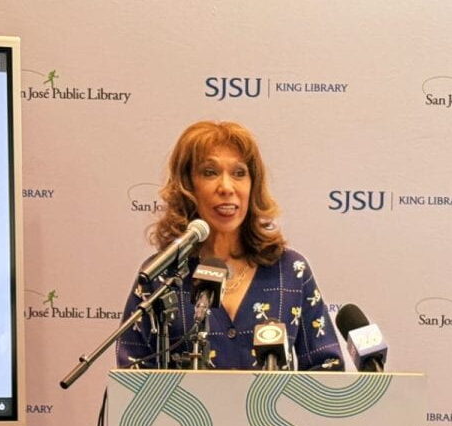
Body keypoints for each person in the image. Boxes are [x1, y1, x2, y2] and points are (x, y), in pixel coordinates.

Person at [116, 121, 343, 370]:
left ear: (252, 185)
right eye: (210, 172)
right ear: (188, 187)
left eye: (239, 173)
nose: (226, 187)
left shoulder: (290, 271)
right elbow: (132, 381)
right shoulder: (160, 277)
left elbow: (327, 369)